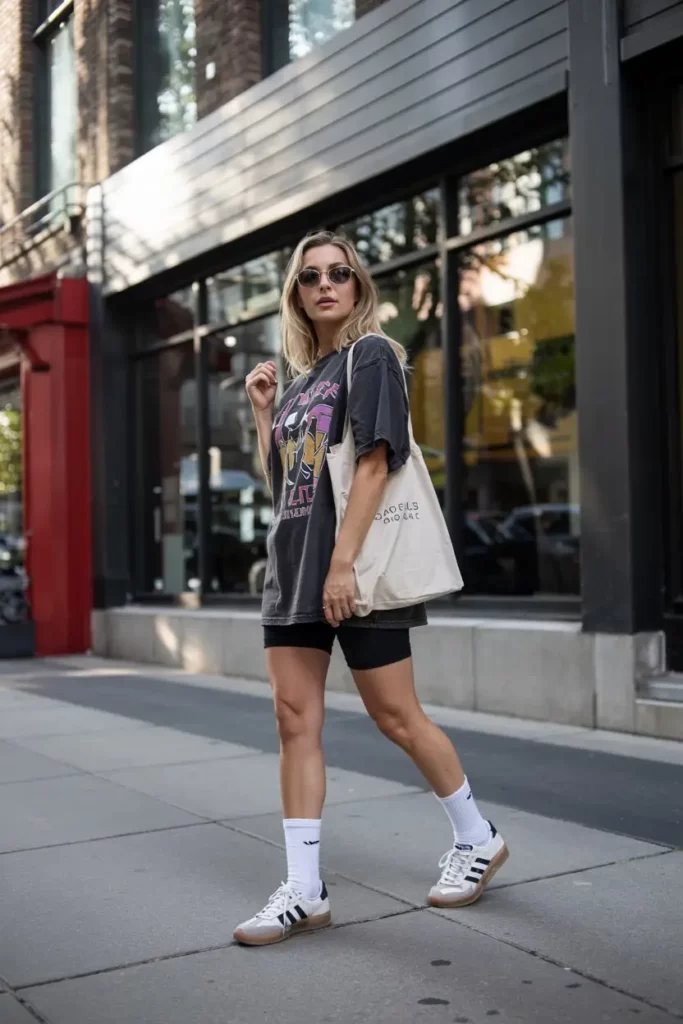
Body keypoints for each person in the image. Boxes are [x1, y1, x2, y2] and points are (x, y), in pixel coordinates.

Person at [233, 231, 509, 947]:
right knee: (294, 721)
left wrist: (342, 563)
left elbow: (376, 464)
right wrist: (266, 413)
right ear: (295, 293)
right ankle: (303, 888)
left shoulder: (373, 355)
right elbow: (291, 489)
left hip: (355, 570)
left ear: (358, 285)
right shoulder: (301, 382)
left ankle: (476, 837)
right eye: (310, 277)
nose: (325, 284)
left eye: (339, 273)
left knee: (395, 716)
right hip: (293, 570)